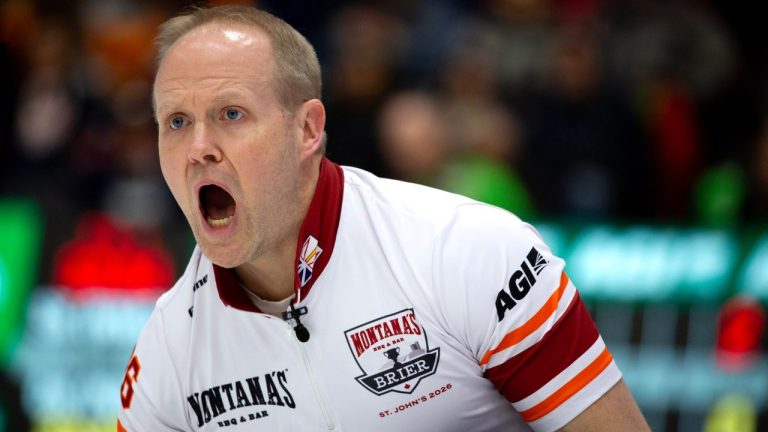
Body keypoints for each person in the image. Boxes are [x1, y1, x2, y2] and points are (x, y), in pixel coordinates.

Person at [117, 5, 650, 431]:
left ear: (306, 130)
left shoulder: (465, 249)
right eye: (177, 121)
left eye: (231, 114)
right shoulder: (168, 351)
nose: (199, 148)